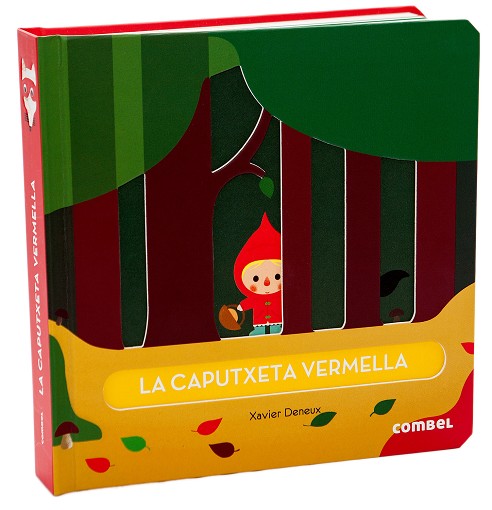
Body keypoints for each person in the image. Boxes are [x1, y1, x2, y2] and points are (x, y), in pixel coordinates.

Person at [233, 213, 282, 336]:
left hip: (278, 322)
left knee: (277, 328)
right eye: (256, 278)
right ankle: (259, 331)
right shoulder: (256, 298)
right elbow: (249, 302)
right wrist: (240, 307)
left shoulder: (281, 297)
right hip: (259, 322)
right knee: (259, 333)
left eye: (277, 277)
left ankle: (276, 329)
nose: (267, 283)